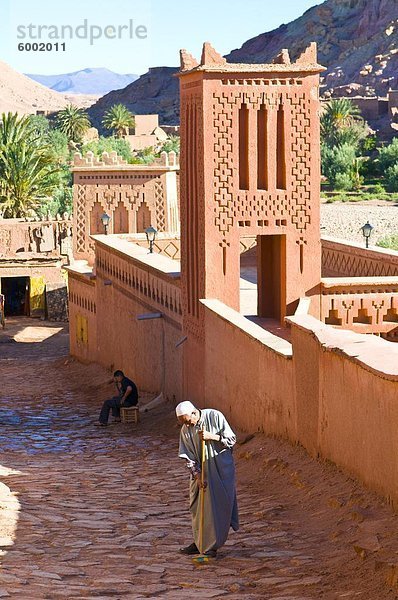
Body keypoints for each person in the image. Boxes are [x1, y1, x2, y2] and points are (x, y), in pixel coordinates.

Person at [176, 400, 239, 558]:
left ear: (194, 413)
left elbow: (231, 440)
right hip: (201, 473)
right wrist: (197, 476)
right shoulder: (185, 429)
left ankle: (212, 545)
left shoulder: (215, 416)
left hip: (220, 469)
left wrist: (213, 437)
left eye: (187, 420)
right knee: (197, 507)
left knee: (216, 508)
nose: (186, 425)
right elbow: (189, 457)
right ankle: (200, 542)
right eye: (183, 422)